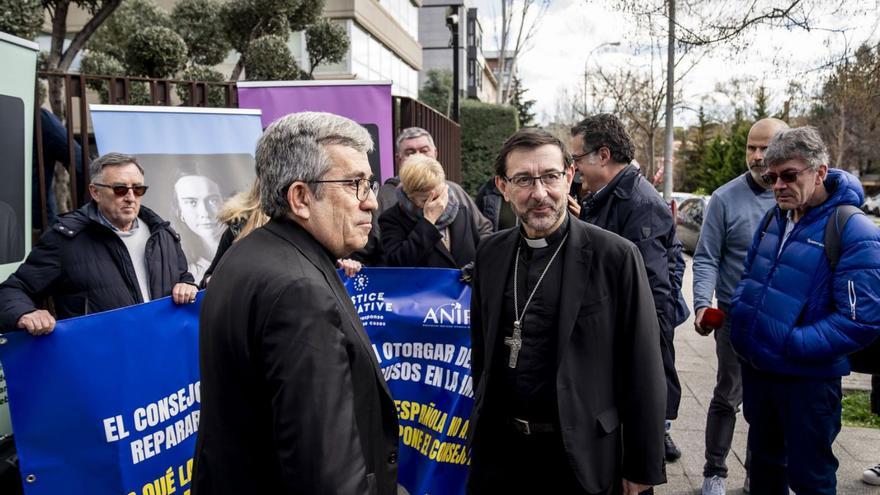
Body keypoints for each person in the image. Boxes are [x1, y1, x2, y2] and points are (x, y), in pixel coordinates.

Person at [193, 112, 399, 494]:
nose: (371, 202)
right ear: (301, 197)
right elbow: (325, 473)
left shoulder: (249, 254)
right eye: (355, 183)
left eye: (368, 183)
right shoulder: (298, 291)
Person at [467, 128, 666, 495]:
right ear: (503, 186)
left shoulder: (615, 257)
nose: (539, 193)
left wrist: (641, 465)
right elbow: (482, 352)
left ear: (569, 177)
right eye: (524, 179)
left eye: (550, 177)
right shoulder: (490, 254)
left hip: (581, 455)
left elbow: (643, 367)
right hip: (503, 452)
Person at [730, 126, 880, 494]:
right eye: (771, 176)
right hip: (760, 372)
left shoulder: (852, 228)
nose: (778, 185)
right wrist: (742, 324)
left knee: (810, 478)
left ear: (820, 172)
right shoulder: (774, 218)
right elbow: (749, 277)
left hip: (808, 383)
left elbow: (861, 320)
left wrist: (792, 344)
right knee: (763, 470)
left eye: (789, 175)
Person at [569, 114, 684, 462]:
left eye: (577, 159)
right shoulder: (610, 197)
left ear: (602, 155)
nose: (574, 169)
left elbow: (652, 293)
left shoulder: (638, 203)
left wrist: (644, 359)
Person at [692, 117, 788, 495]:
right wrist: (703, 303)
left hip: (782, 318)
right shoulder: (724, 198)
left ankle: (758, 472)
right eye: (752, 147)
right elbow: (706, 257)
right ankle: (714, 471)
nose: (756, 155)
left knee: (769, 401)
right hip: (735, 315)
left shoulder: (799, 194)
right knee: (727, 395)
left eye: (765, 148)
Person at [0, 152, 197, 335]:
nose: (130, 197)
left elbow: (183, 277)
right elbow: (12, 289)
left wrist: (187, 285)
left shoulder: (163, 234)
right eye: (120, 189)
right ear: (95, 192)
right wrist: (26, 313)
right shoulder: (65, 238)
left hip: (163, 355)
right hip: (100, 361)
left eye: (138, 189)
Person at [353, 127, 491, 264]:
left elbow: (483, 234)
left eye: (424, 151)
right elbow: (382, 257)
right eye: (410, 152)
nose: (419, 156)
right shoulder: (385, 203)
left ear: (435, 154)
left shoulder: (457, 199)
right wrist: (428, 221)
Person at [201, 179, 363, 286]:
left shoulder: (309, 228)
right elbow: (210, 277)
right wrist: (219, 282)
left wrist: (344, 267)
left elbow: (321, 273)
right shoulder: (238, 229)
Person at [379, 154, 481, 268]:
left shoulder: (461, 212)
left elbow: (478, 254)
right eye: (425, 200)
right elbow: (397, 263)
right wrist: (428, 222)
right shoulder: (392, 219)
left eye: (439, 195)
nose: (438, 203)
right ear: (409, 196)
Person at [171, 171, 225, 285]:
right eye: (192, 202)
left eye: (213, 201)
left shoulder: (248, 247)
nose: (205, 213)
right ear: (180, 213)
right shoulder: (179, 270)